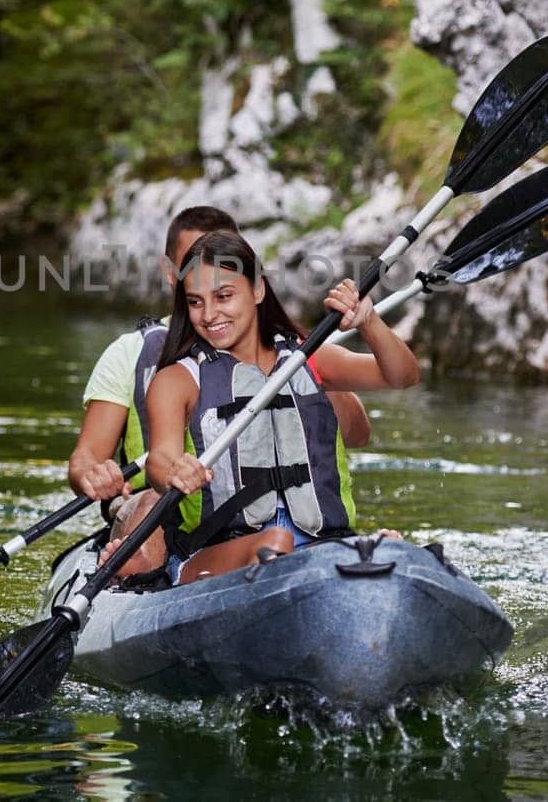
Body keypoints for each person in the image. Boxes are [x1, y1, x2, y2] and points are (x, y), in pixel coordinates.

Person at [66, 207, 370, 576]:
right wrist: (93, 476)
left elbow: (356, 434)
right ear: (170, 273)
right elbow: (86, 460)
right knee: (153, 503)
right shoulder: (131, 353)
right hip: (158, 495)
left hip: (266, 515)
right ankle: (134, 578)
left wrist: (316, 385)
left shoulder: (289, 351)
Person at [142, 230, 419, 584]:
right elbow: (158, 460)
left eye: (224, 296)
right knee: (277, 543)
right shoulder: (178, 379)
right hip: (219, 552)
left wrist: (369, 323)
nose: (209, 315)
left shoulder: (306, 358)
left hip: (321, 543)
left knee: (389, 547)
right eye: (196, 302)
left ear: (258, 290)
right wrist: (174, 471)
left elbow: (403, 376)